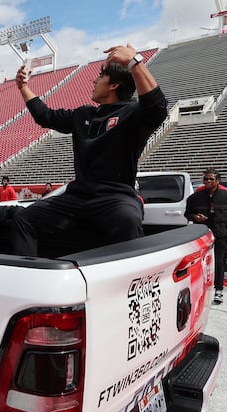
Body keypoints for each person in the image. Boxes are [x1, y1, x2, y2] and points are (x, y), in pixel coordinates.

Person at [10, 44, 168, 257]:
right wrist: (23, 87)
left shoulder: (132, 113)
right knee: (24, 219)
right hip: (78, 196)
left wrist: (134, 62)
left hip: (115, 196)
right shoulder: (83, 114)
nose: (94, 81)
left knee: (127, 220)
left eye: (100, 77)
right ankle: (28, 277)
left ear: (114, 85)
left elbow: (157, 108)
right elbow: (44, 116)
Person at [185, 168, 227, 305]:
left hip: (220, 234)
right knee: (200, 263)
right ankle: (200, 289)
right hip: (201, 235)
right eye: (206, 179)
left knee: (219, 263)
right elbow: (187, 214)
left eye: (211, 179)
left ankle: (219, 290)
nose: (208, 181)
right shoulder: (195, 197)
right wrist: (195, 217)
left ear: (218, 181)